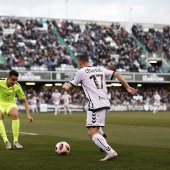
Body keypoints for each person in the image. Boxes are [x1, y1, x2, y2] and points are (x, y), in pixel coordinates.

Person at [62, 54, 137, 161]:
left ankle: (111, 152)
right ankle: (101, 135)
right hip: (105, 103)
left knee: (91, 132)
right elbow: (117, 74)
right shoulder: (100, 69)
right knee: (94, 125)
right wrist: (128, 87)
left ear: (79, 62)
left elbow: (69, 87)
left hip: (95, 105)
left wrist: (64, 86)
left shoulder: (81, 72)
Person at [0, 70, 34, 150]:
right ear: (8, 78)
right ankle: (6, 141)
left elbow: (24, 100)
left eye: (16, 80)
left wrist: (28, 115)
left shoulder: (17, 86)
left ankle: (16, 141)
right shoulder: (0, 82)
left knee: (15, 115)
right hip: (0, 102)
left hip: (10, 103)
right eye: (13, 79)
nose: (15, 82)